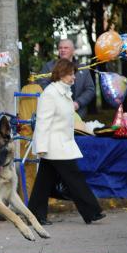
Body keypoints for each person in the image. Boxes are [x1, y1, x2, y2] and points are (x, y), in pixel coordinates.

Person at [27, 59, 105, 225]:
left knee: (44, 182)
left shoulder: (63, 92)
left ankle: (35, 215)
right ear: (61, 74)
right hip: (55, 146)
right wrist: (40, 147)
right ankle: (92, 212)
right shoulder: (50, 94)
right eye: (71, 74)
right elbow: (43, 122)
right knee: (74, 178)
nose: (74, 77)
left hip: (60, 144)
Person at [37, 39, 95, 119]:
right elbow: (43, 84)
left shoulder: (83, 68)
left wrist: (78, 103)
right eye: (60, 48)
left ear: (73, 51)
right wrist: (60, 100)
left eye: (66, 48)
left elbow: (90, 89)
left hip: (79, 115)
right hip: (56, 115)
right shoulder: (49, 67)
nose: (62, 50)